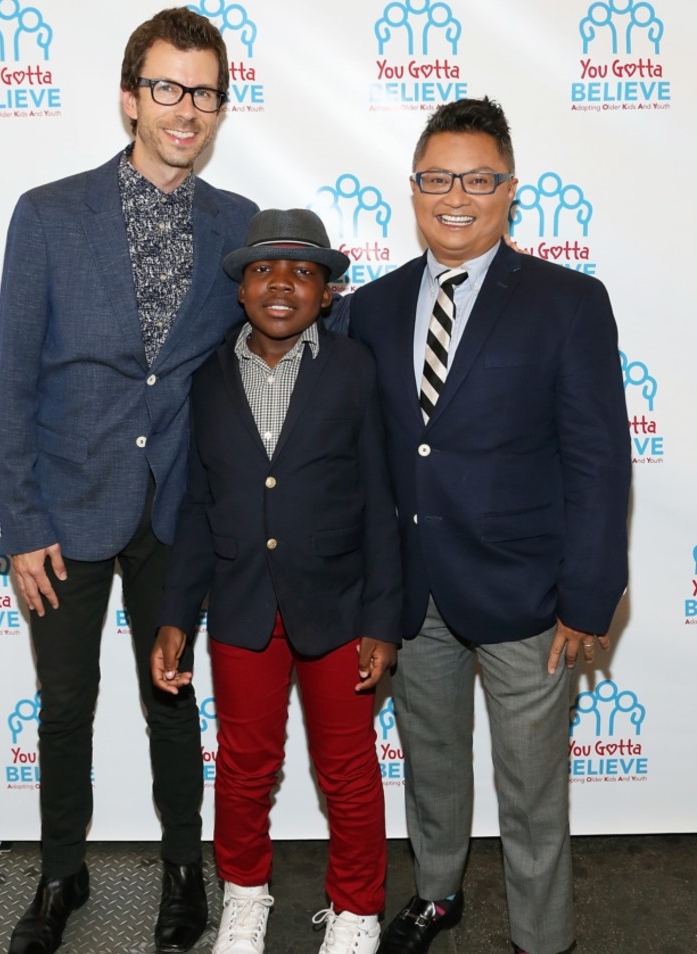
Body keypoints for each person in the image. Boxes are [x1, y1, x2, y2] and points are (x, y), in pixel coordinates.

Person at [0, 8, 258, 954]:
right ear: (130, 97)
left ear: (221, 105)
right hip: (63, 505)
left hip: (179, 507)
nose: (187, 109)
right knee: (64, 707)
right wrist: (19, 521)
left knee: (173, 699)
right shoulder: (49, 213)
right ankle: (62, 872)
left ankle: (188, 870)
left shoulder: (242, 227)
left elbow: (293, 331)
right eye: (168, 88)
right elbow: (14, 379)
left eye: (205, 91)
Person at [345, 98, 631, 954]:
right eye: (437, 179)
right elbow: (372, 463)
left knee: (532, 787)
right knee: (430, 762)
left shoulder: (568, 302)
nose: (455, 196)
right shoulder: (372, 307)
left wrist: (588, 597)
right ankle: (436, 894)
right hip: (415, 593)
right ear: (413, 189)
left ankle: (543, 938)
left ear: (510, 190)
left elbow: (597, 460)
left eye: (477, 178)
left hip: (528, 596)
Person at [150, 208, 403, 954]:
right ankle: (245, 897)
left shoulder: (356, 370)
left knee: (348, 768)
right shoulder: (206, 380)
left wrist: (383, 620)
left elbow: (381, 502)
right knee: (244, 765)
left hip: (339, 609)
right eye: (264, 269)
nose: (282, 283)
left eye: (303, 271)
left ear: (328, 293)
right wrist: (175, 615)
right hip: (240, 608)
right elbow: (197, 506)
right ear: (240, 289)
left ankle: (358, 909)